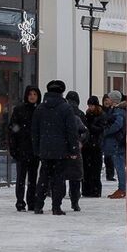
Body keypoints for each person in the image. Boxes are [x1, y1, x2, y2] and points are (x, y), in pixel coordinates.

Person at [33, 80, 84, 215]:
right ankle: (56, 206)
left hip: (45, 149)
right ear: (62, 92)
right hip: (61, 150)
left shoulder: (40, 108)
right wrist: (73, 149)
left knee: (43, 177)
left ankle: (38, 205)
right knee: (58, 178)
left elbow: (35, 131)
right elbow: (71, 131)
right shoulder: (66, 108)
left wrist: (37, 148)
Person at [8, 87, 41, 212]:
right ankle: (20, 202)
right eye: (30, 94)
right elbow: (12, 128)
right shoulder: (19, 110)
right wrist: (14, 147)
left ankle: (31, 201)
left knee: (33, 179)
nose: (32, 97)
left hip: (34, 151)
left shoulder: (39, 110)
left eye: (35, 94)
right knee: (21, 178)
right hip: (22, 149)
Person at [101, 91, 127, 199]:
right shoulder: (120, 110)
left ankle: (122, 188)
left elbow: (118, 124)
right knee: (119, 165)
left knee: (119, 166)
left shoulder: (118, 111)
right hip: (119, 141)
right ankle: (122, 188)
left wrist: (106, 131)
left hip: (116, 142)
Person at [81, 95, 106, 199]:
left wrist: (91, 126)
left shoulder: (101, 115)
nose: (90, 107)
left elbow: (101, 129)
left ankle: (95, 191)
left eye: (92, 105)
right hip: (87, 146)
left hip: (96, 146)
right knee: (86, 169)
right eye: (89, 105)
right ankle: (86, 190)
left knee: (95, 169)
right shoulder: (87, 114)